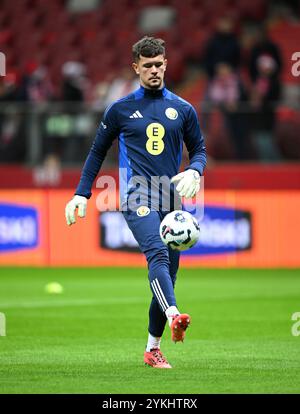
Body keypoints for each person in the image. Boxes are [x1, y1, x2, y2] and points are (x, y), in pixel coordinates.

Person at [65, 37, 207, 369]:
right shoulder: (120, 109)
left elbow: (199, 149)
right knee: (157, 253)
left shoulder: (184, 109)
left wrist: (196, 171)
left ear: (166, 64)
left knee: (168, 277)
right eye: (148, 66)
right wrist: (80, 194)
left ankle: (152, 349)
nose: (154, 70)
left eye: (159, 64)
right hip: (137, 195)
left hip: (171, 198)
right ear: (136, 68)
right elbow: (97, 151)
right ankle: (174, 315)